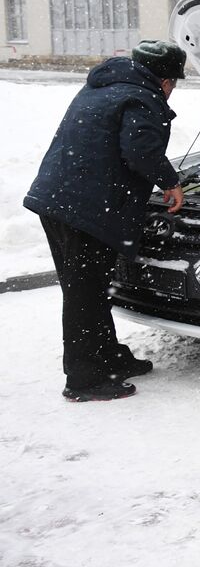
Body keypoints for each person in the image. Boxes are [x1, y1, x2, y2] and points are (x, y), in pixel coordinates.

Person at [24, 40, 188, 402]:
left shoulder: (105, 86)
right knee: (85, 292)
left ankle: (108, 357)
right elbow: (140, 151)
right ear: (166, 80)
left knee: (87, 288)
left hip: (57, 198)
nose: (172, 90)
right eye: (173, 83)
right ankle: (85, 379)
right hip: (87, 208)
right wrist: (170, 181)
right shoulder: (143, 98)